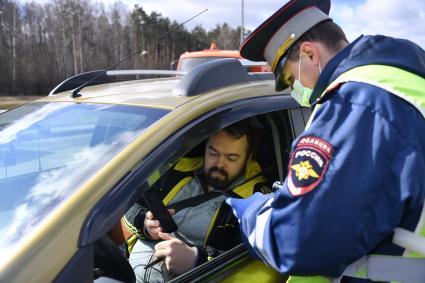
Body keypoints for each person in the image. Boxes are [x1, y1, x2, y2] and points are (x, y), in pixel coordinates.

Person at [226, 0, 425, 282]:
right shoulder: (400, 81)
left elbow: (298, 241)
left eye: (288, 77)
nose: (294, 89)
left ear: (309, 54)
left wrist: (251, 211)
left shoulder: (356, 103)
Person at [123, 121, 271, 283]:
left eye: (231, 158)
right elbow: (127, 204)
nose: (220, 164)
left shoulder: (254, 202)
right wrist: (144, 222)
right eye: (213, 153)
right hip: (126, 270)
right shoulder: (177, 169)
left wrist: (196, 258)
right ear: (205, 148)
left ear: (248, 158)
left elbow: (254, 264)